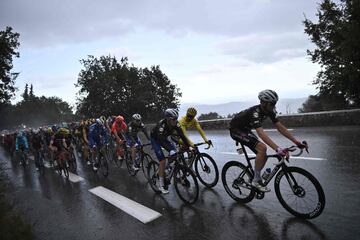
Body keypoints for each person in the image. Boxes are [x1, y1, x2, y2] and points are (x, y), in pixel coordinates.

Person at [229, 89, 307, 192]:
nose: (274, 106)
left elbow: (280, 127)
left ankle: (255, 177)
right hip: (236, 130)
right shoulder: (255, 113)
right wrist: (277, 149)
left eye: (275, 103)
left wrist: (296, 142)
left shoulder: (271, 110)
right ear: (263, 103)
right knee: (262, 147)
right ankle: (256, 181)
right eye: (272, 104)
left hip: (246, 130)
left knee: (263, 154)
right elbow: (261, 134)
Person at [150, 108, 192, 194]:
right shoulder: (161, 125)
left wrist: (189, 146)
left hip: (164, 138)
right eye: (173, 119)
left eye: (176, 118)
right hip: (156, 139)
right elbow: (160, 140)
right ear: (168, 119)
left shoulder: (176, 124)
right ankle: (161, 185)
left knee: (174, 153)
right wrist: (170, 150)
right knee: (162, 161)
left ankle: (166, 169)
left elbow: (182, 135)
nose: (175, 121)